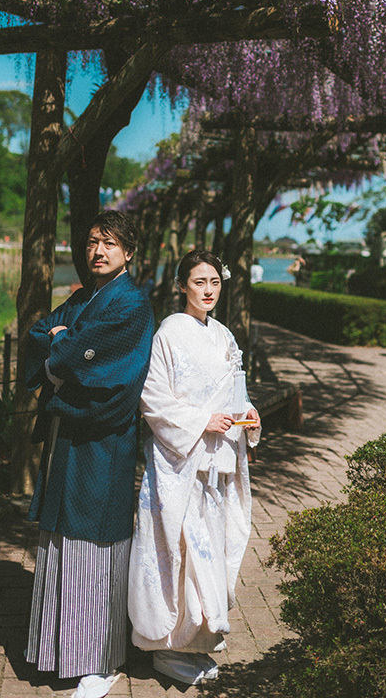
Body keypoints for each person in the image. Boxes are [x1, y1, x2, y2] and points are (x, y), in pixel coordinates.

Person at [25, 210, 154, 698]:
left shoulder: (133, 306)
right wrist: (64, 346)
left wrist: (63, 349)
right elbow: (42, 333)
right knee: (62, 539)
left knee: (95, 541)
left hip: (101, 439)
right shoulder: (85, 298)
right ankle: (60, 648)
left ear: (128, 252)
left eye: (109, 244)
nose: (98, 252)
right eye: (92, 243)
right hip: (68, 439)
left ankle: (100, 658)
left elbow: (108, 373)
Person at [129, 249, 261, 686]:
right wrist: (201, 421)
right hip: (180, 461)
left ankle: (197, 641)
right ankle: (166, 646)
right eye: (199, 282)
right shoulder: (168, 333)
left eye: (214, 283)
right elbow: (152, 398)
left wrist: (249, 415)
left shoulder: (224, 335)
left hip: (218, 461)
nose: (207, 291)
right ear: (182, 284)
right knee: (180, 550)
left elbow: (235, 394)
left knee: (211, 551)